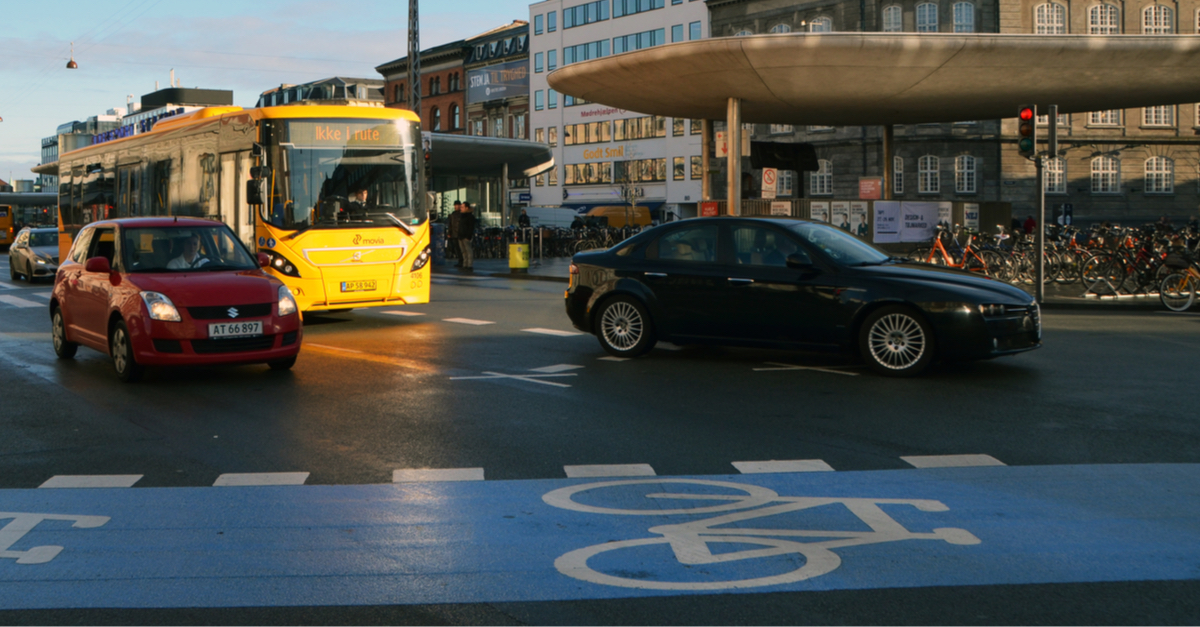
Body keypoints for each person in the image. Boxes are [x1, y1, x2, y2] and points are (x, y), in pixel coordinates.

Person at [457, 202, 477, 271]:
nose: (461, 208)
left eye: (462, 207)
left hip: (466, 236)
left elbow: (471, 227)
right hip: (460, 236)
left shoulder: (470, 216)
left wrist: (468, 236)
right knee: (463, 251)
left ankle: (469, 265)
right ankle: (465, 264)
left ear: (466, 208)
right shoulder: (461, 215)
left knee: (468, 251)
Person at [448, 201, 463, 266]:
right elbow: (450, 224)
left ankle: (462, 261)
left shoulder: (461, 214)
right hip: (455, 234)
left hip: (459, 234)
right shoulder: (453, 214)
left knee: (460, 248)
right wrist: (449, 233)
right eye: (455, 205)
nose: (455, 207)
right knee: (457, 248)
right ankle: (460, 261)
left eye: (457, 205)